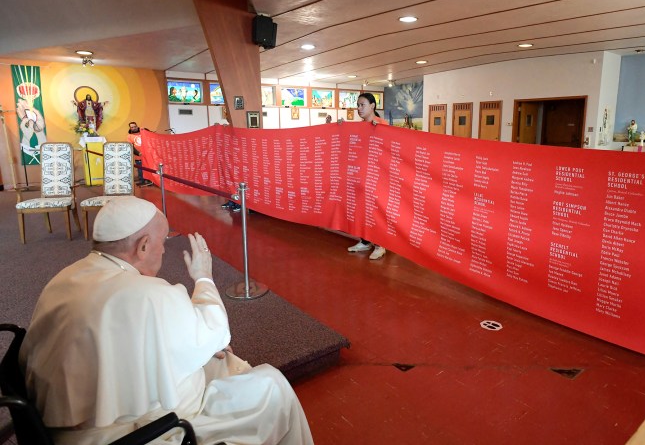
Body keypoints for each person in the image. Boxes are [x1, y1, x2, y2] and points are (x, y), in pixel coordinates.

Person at [19, 196, 314, 445]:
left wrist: (204, 347)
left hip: (58, 426)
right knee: (273, 384)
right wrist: (203, 277)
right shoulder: (147, 293)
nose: (163, 249)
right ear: (143, 246)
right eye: (163, 241)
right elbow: (218, 332)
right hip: (127, 435)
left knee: (214, 360)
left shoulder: (65, 277)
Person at [346, 92, 388, 260]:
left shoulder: (383, 126)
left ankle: (380, 244)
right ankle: (365, 241)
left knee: (375, 212)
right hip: (361, 177)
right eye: (358, 105)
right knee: (362, 211)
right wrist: (339, 127)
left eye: (362, 105)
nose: (359, 108)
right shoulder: (360, 127)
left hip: (377, 178)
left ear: (372, 106)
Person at [127, 121, 152, 186]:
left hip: (148, 155)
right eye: (132, 127)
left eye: (135, 126)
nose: (134, 128)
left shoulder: (143, 131)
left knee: (149, 168)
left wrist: (145, 130)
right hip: (139, 156)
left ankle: (150, 180)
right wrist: (138, 153)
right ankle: (142, 180)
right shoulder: (129, 136)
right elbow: (131, 146)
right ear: (130, 128)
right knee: (140, 169)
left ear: (137, 126)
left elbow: (151, 135)